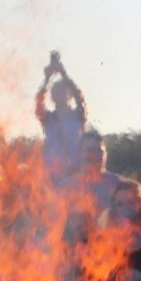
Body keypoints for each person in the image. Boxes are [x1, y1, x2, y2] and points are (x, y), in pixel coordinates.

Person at [36, 53, 88, 185]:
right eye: (55, 91)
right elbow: (39, 103)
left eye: (63, 90)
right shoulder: (48, 118)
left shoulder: (78, 115)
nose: (59, 94)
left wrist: (63, 73)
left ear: (69, 94)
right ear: (51, 96)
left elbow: (80, 98)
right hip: (52, 174)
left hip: (76, 171)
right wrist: (47, 79)